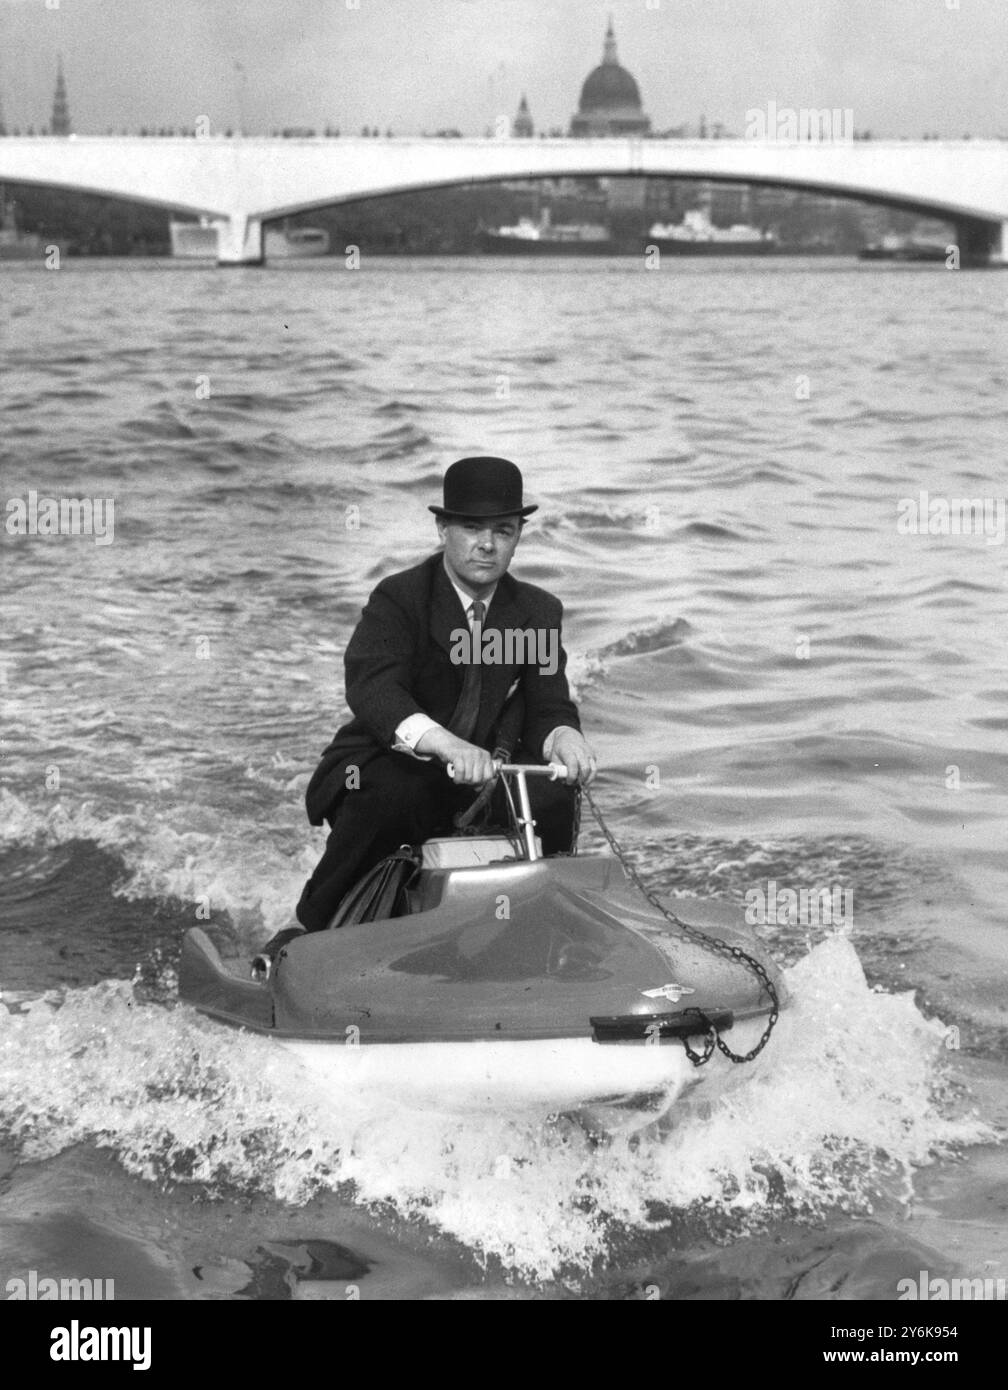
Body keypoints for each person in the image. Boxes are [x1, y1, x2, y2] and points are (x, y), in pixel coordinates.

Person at [291, 456, 596, 939]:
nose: (487, 545)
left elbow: (547, 703)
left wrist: (564, 738)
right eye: (472, 528)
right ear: (442, 528)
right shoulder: (400, 598)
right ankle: (303, 930)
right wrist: (444, 745)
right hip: (391, 758)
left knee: (553, 795)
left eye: (503, 530)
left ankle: (543, 932)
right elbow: (374, 688)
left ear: (519, 534)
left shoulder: (535, 611)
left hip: (485, 771)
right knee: (394, 796)